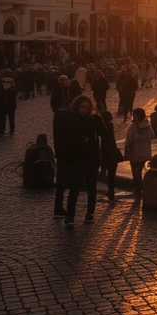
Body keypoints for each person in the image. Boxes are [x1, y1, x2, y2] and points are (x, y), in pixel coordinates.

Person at [54, 95, 104, 230]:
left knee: (92, 187)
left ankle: (90, 213)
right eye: (82, 107)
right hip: (77, 159)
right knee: (75, 188)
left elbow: (104, 134)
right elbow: (65, 139)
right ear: (77, 107)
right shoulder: (71, 120)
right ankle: (70, 217)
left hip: (92, 158)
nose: (84, 110)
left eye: (87, 107)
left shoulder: (95, 119)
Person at [125, 107, 155, 199]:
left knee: (136, 173)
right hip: (144, 152)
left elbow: (129, 139)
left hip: (134, 153)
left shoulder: (133, 126)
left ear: (137, 116)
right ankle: (140, 190)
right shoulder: (148, 126)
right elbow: (152, 136)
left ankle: (138, 190)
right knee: (139, 172)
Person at [99, 110, 122, 202]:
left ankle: (109, 192)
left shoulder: (101, 128)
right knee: (111, 174)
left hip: (105, 153)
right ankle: (110, 193)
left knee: (105, 173)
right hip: (112, 152)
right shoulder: (110, 126)